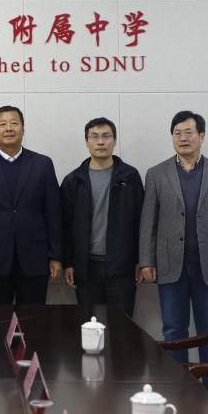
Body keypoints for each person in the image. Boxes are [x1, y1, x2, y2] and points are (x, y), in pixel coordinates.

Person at [139, 111, 208, 362]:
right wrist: (146, 261)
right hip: (170, 264)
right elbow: (148, 221)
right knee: (173, 329)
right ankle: (179, 381)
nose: (183, 138)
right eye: (177, 133)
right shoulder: (156, 174)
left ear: (201, 136)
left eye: (188, 132)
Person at [0, 105, 62, 305]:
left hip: (35, 258)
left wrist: (56, 256)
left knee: (33, 318)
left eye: (14, 123)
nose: (8, 128)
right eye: (2, 124)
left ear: (23, 129)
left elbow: (54, 214)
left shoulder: (43, 164)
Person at [59, 117, 144, 315]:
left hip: (122, 266)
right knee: (91, 325)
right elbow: (65, 225)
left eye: (106, 136)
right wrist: (68, 263)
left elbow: (141, 220)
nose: (100, 142)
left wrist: (141, 260)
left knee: (122, 325)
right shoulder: (73, 180)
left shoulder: (130, 176)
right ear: (86, 141)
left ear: (114, 140)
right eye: (94, 136)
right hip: (86, 268)